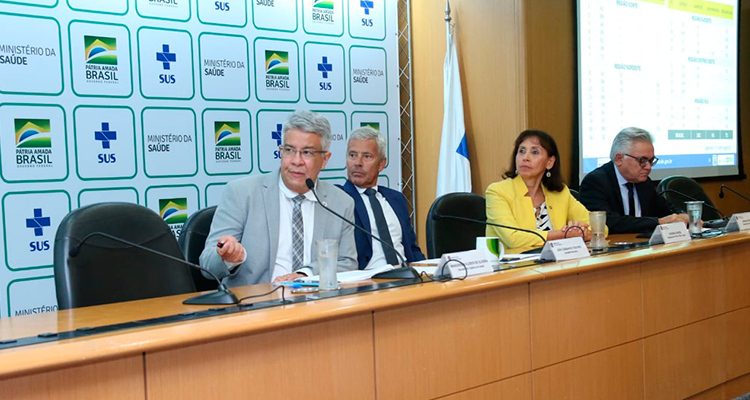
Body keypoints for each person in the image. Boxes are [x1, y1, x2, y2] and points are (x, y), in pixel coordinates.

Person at [199, 110, 357, 286]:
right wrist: (228, 258)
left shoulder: (341, 203)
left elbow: (348, 263)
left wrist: (305, 274)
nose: (296, 161)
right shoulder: (241, 194)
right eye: (289, 150)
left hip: (317, 300)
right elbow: (207, 264)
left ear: (325, 159)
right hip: (256, 300)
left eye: (307, 152)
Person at [486, 130, 596, 249]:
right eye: (521, 151)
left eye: (535, 152)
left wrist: (583, 232)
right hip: (511, 260)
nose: (525, 157)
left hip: (556, 260)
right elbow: (513, 239)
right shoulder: (497, 192)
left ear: (550, 162)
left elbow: (598, 227)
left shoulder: (560, 193)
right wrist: (564, 235)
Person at [338, 127, 425, 270]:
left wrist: (427, 273)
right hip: (367, 279)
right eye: (352, 155)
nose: (357, 162)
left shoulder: (396, 198)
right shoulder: (338, 199)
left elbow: (412, 248)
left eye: (367, 156)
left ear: (381, 164)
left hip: (405, 275)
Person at [579, 127, 688, 234]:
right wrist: (658, 222)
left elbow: (665, 209)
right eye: (642, 160)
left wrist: (682, 215)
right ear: (619, 159)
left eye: (651, 161)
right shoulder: (595, 182)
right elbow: (608, 222)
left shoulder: (644, 182)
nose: (648, 167)